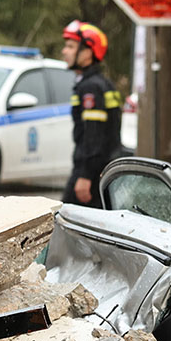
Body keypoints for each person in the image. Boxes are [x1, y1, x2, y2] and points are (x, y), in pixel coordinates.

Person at [61, 20, 120, 206]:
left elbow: (93, 135)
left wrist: (85, 176)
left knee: (64, 217)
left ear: (87, 52)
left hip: (92, 174)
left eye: (71, 46)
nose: (64, 51)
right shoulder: (99, 83)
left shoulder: (91, 87)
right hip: (101, 170)